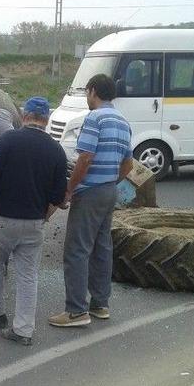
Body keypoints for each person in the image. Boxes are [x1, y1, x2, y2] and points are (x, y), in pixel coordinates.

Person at [0, 97, 68, 345]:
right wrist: (44, 217)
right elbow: (59, 196)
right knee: (28, 275)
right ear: (47, 120)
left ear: (25, 115)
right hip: (33, 223)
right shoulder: (56, 150)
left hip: (0, 219)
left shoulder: (7, 140)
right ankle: (23, 330)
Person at [48, 74, 133, 329]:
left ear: (93, 91)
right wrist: (109, 181)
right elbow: (128, 165)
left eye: (87, 92)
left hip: (91, 192)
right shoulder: (122, 121)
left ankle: (75, 311)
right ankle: (100, 304)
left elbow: (84, 158)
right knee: (102, 248)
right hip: (109, 190)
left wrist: (69, 190)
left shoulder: (94, 118)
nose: (87, 98)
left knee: (76, 250)